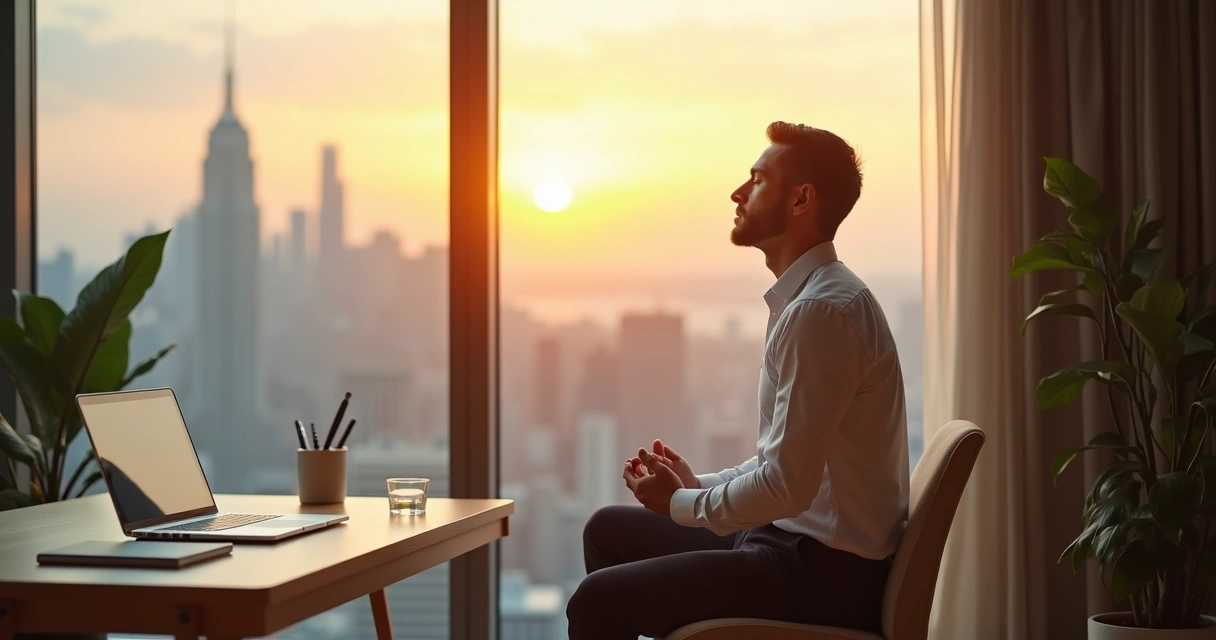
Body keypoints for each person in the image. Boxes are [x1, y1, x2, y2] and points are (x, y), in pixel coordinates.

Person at [566, 122, 909, 640]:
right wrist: (697, 486)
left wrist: (679, 505)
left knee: (597, 602)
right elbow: (785, 460)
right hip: (789, 543)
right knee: (606, 530)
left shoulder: (821, 312)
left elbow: (785, 486)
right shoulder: (813, 299)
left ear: (801, 199)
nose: (738, 192)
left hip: (822, 574)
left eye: (757, 179)